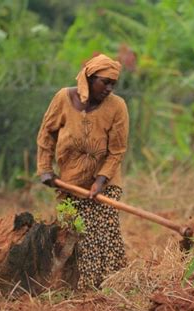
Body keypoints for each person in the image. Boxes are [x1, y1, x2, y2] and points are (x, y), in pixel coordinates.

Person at [36, 54, 128, 290]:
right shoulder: (63, 99)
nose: (109, 89)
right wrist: (45, 169)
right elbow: (47, 134)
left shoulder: (117, 107)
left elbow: (117, 151)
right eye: (104, 82)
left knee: (103, 234)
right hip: (70, 183)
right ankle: (69, 287)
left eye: (113, 84)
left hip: (105, 183)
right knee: (73, 234)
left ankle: (107, 287)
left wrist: (99, 182)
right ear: (89, 77)